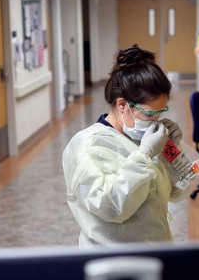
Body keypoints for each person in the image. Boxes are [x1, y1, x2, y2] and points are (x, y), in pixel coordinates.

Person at [62, 45, 187, 246]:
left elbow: (175, 193)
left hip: (156, 249)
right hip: (112, 261)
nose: (155, 123)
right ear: (122, 105)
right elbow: (111, 207)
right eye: (148, 114)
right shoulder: (85, 146)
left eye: (160, 114)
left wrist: (172, 150)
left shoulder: (144, 139)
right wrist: (145, 155)